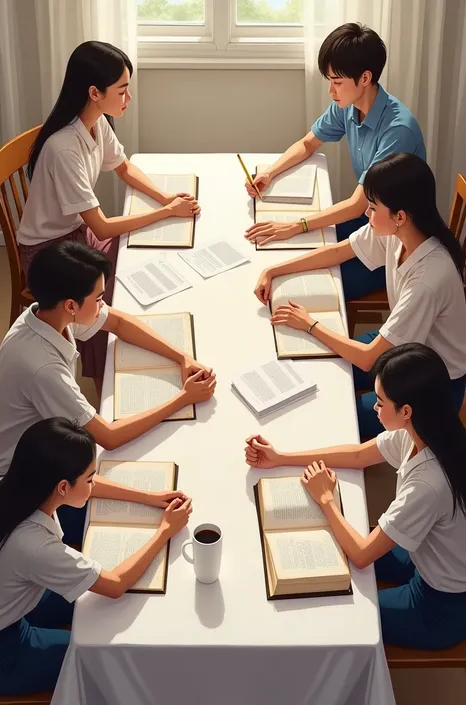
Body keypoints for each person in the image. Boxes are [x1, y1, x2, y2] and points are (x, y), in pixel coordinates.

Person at [245, 344, 466, 649]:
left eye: (380, 402)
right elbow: (360, 455)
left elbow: (362, 555)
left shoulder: (427, 484)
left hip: (440, 607)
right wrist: (281, 457)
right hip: (427, 558)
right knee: (339, 552)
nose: (374, 408)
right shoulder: (425, 431)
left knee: (342, 614)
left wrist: (326, 499)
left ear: (405, 411)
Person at [0, 241, 215, 542]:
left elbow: (119, 322)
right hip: (17, 478)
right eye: (98, 298)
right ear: (71, 305)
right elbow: (108, 436)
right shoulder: (42, 368)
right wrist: (183, 398)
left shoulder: (45, 314)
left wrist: (181, 358)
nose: (102, 304)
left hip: (38, 447)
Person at [17, 40, 200, 377]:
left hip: (74, 233)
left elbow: (124, 168)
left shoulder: (96, 121)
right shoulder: (63, 148)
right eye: (122, 91)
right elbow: (100, 227)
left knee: (143, 254)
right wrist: (166, 212)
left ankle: (147, 336)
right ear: (94, 92)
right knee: (108, 291)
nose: (128, 99)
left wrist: (164, 197)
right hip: (48, 252)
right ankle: (105, 379)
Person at [254, 153, 466, 439]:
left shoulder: (427, 279)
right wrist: (274, 270)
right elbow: (340, 251)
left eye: (372, 207)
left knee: (340, 412)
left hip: (431, 386)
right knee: (321, 371)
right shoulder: (399, 232)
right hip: (400, 348)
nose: (366, 213)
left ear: (400, 216)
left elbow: (369, 359)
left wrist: (310, 324)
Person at [0, 417, 192, 695]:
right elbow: (115, 584)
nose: (93, 482)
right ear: (63, 487)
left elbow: (86, 486)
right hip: (3, 652)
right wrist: (165, 531)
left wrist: (148, 497)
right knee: (104, 657)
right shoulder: (35, 546)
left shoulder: (9, 487)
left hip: (13, 600)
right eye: (88, 476)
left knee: (93, 613)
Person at [245, 22, 425, 301]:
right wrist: (270, 172)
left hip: (397, 243)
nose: (331, 91)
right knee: (295, 250)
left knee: (311, 285)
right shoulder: (349, 106)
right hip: (372, 223)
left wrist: (296, 225)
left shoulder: (397, 131)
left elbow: (357, 205)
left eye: (337, 82)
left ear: (365, 78)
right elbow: (308, 143)